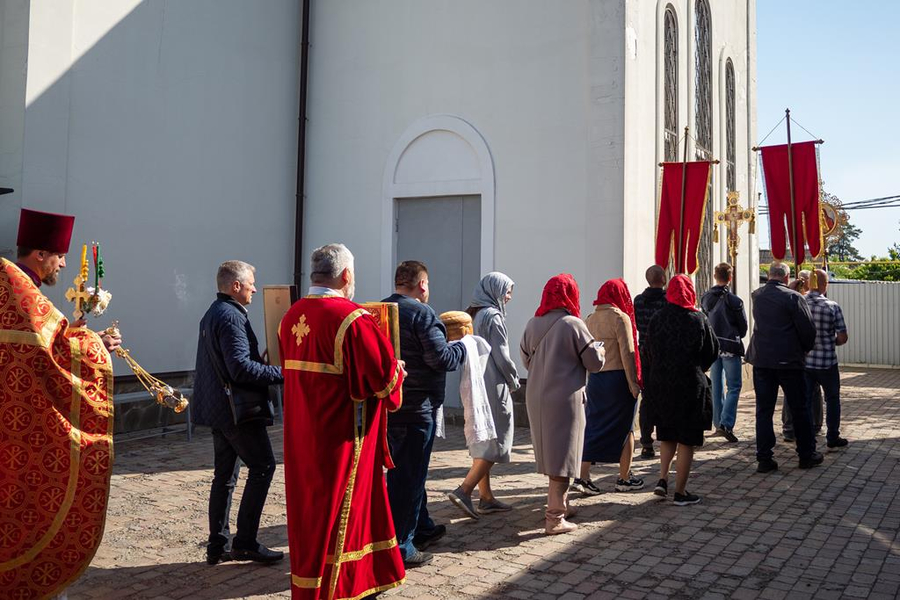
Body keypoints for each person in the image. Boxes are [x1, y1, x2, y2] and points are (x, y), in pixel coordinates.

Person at [1, 208, 122, 599]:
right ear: (40, 254)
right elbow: (51, 353)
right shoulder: (16, 286)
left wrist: (89, 342)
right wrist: (96, 346)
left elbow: (49, 349)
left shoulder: (19, 288)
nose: (64, 264)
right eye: (60, 256)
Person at [279, 244, 407, 599]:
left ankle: (311, 584)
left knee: (310, 516)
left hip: (301, 439)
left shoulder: (291, 317)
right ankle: (340, 587)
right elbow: (382, 382)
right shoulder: (352, 319)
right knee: (343, 517)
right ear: (346, 276)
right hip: (343, 442)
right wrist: (398, 373)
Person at [192, 260, 284, 565]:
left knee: (225, 476)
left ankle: (217, 545)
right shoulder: (231, 316)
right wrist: (281, 372)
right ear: (235, 286)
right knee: (263, 467)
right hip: (236, 411)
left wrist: (262, 361)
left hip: (219, 409)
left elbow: (231, 360)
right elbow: (240, 369)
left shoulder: (213, 312)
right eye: (251, 283)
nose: (255, 288)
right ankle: (245, 542)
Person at [383, 261, 466, 566]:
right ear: (422, 284)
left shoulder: (376, 310)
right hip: (417, 407)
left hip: (388, 406)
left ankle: (422, 525)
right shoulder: (421, 313)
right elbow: (439, 358)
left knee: (406, 471)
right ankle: (403, 545)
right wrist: (462, 347)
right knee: (409, 476)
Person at [520, 274, 605, 534]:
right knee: (564, 455)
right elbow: (594, 363)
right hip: (565, 398)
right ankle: (555, 518)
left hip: (536, 396)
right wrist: (600, 350)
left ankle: (562, 504)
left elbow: (525, 360)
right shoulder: (573, 324)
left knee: (551, 453)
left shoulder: (532, 323)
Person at [448, 272, 520, 516]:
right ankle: (465, 490)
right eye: (507, 291)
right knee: (497, 439)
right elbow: (501, 355)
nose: (509, 297)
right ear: (494, 290)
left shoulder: (473, 313)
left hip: (474, 383)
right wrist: (514, 379)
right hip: (493, 383)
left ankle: (486, 497)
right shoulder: (493, 316)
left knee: (483, 438)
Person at [643, 275, 718, 506]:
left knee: (667, 434)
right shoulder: (698, 319)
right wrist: (698, 367)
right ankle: (681, 492)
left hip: (662, 384)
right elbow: (711, 351)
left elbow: (648, 350)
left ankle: (662, 478)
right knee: (686, 439)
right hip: (689, 385)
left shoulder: (657, 318)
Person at [746, 262, 823, 473]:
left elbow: (773, 297)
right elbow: (807, 330)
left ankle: (764, 458)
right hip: (789, 360)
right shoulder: (794, 298)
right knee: (799, 408)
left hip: (762, 360)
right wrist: (805, 350)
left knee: (764, 410)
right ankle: (806, 454)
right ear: (787, 276)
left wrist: (788, 288)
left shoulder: (757, 295)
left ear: (769, 275)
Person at [575, 279, 644, 495]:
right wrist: (634, 384)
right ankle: (624, 477)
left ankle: (582, 475)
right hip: (619, 379)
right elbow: (627, 353)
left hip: (597, 380)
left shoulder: (590, 319)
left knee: (593, 426)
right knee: (626, 429)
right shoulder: (619, 318)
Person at [700, 263, 748, 443]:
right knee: (734, 386)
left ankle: (717, 421)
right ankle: (726, 424)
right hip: (729, 346)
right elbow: (742, 327)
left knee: (717, 385)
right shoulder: (734, 301)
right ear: (730, 277)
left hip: (713, 346)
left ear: (714, 276)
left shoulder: (705, 298)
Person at [804, 269, 849, 449]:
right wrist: (831, 342)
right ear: (824, 285)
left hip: (806, 362)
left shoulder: (800, 303)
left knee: (805, 401)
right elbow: (843, 337)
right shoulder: (832, 306)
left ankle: (807, 437)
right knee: (832, 399)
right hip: (827, 362)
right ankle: (832, 437)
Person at [633, 265, 668, 458]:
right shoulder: (667, 301)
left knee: (647, 398)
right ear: (662, 278)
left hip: (644, 353)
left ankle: (646, 442)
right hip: (663, 355)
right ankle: (666, 438)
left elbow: (637, 324)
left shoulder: (638, 301)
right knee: (664, 397)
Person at [784, 269, 823, 440]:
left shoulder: (794, 298)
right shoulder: (797, 299)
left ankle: (792, 427)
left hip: (799, 352)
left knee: (800, 391)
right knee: (807, 391)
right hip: (804, 354)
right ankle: (809, 426)